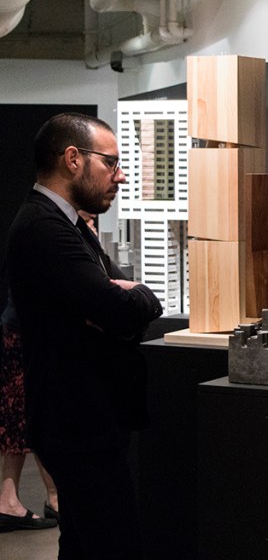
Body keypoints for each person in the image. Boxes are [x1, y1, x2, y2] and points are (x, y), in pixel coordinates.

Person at [5, 112, 163, 558]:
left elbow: (135, 303)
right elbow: (121, 308)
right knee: (112, 545)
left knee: (81, 543)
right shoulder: (43, 228)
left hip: (89, 419)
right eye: (110, 163)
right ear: (73, 159)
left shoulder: (72, 226)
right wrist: (125, 301)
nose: (121, 176)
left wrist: (130, 298)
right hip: (77, 424)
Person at [0, 295, 59, 533]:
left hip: (17, 323)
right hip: (23, 327)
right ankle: (54, 498)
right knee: (29, 410)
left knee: (21, 411)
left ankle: (10, 500)